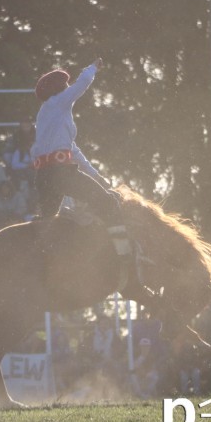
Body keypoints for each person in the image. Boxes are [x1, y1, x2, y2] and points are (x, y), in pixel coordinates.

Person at [31, 58, 134, 267]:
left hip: (44, 176)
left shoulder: (47, 116)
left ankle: (40, 260)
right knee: (108, 203)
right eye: (66, 86)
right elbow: (82, 85)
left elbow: (74, 152)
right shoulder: (58, 103)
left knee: (47, 221)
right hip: (60, 173)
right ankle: (125, 258)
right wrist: (93, 68)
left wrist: (98, 177)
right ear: (60, 89)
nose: (69, 89)